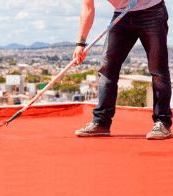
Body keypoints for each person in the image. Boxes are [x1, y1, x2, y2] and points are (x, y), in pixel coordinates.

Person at [74, 0, 172, 140]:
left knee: (158, 69)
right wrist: (80, 43)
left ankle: (162, 122)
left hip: (152, 11)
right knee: (107, 69)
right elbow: (87, 7)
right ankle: (101, 122)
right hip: (122, 14)